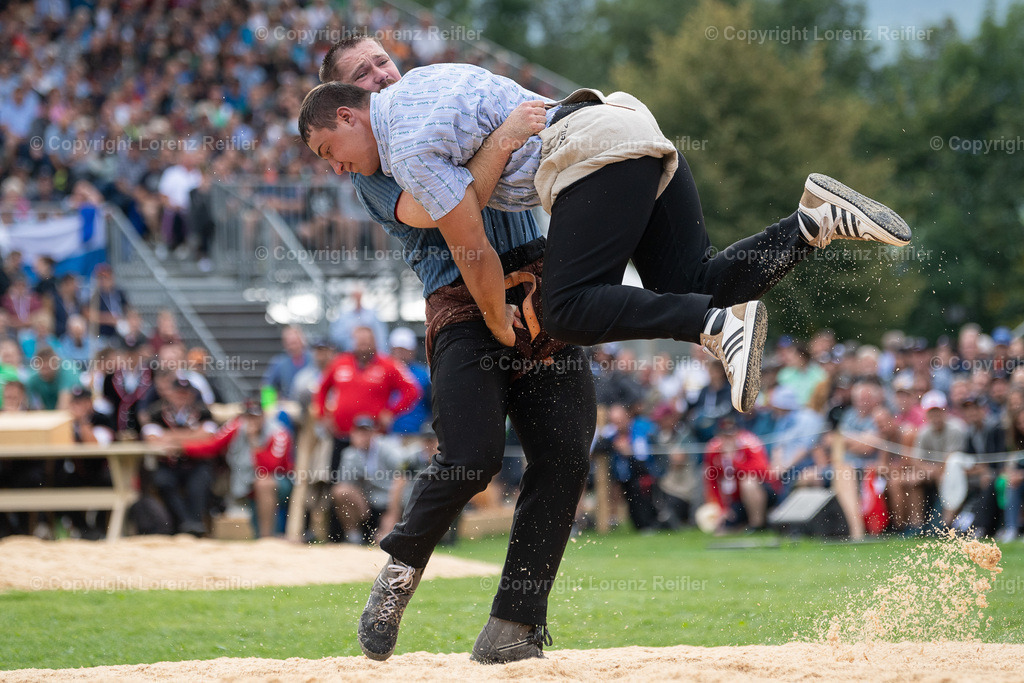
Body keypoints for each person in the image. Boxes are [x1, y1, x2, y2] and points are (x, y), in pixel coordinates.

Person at [299, 60, 911, 414]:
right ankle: (813, 223)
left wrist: (498, 321)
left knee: (565, 309)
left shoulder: (402, 149)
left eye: (330, 150)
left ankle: (717, 328)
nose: (336, 166)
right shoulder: (425, 81)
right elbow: (470, 191)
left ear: (350, 114)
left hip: (588, 151)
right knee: (692, 283)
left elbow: (472, 248)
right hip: (625, 123)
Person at [315, 36, 597, 664]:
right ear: (348, 108)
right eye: (364, 73)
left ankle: (515, 625)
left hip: (538, 278)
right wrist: (502, 140)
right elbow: (455, 211)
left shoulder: (456, 103)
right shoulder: (372, 169)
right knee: (471, 457)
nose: (383, 72)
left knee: (566, 455)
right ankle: (398, 573)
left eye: (384, 60)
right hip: (463, 304)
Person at [182, 399, 294, 538]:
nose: (252, 421)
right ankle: (263, 537)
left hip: (281, 483)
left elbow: (269, 468)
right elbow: (213, 446)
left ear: (263, 416)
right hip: (249, 482)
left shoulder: (278, 433)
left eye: (256, 416)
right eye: (249, 416)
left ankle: (267, 538)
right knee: (255, 528)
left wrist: (254, 442)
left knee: (264, 483)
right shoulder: (237, 427)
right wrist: (184, 448)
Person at [331, 415, 414, 544]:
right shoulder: (350, 454)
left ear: (373, 433)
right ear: (353, 433)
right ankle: (354, 536)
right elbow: (346, 484)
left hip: (392, 501)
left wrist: (393, 513)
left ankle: (392, 528)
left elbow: (402, 476)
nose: (363, 436)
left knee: (385, 542)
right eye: (359, 432)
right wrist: (361, 504)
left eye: (366, 432)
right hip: (369, 501)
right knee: (340, 491)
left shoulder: (387, 449)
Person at [703, 414, 779, 532]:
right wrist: (723, 508)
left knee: (748, 482)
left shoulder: (749, 443)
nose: (728, 440)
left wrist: (735, 461)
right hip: (737, 498)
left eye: (731, 435)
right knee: (724, 526)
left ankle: (757, 524)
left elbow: (762, 470)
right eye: (725, 435)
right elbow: (712, 481)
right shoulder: (714, 450)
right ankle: (744, 522)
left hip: (762, 490)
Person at [387, 327, 431, 436]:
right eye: (397, 349)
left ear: (413, 351)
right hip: (388, 434)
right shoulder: (383, 371)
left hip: (417, 434)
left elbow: (430, 404)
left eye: (405, 350)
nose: (401, 353)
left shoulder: (423, 374)